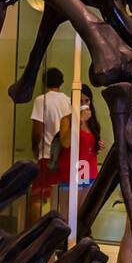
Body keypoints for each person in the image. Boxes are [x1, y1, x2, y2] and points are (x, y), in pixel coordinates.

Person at [28, 68, 72, 223]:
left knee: (37, 197)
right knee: (60, 200)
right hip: (64, 156)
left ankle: (32, 235)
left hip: (47, 154)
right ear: (61, 82)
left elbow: (37, 130)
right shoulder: (68, 100)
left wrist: (35, 149)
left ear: (44, 82)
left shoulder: (41, 100)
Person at [55, 87, 101, 221]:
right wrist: (79, 121)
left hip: (88, 170)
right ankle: (65, 241)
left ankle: (79, 241)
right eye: (80, 101)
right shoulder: (67, 120)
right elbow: (65, 143)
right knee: (68, 216)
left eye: (87, 100)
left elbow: (89, 145)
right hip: (71, 171)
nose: (84, 104)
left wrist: (98, 144)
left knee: (83, 215)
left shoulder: (92, 122)